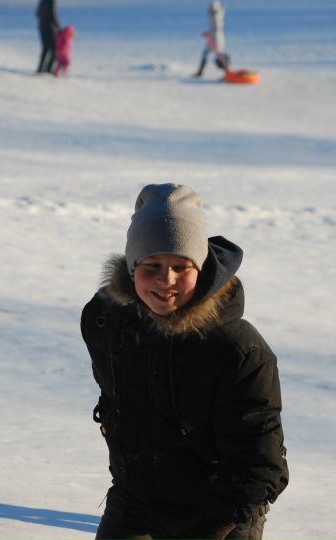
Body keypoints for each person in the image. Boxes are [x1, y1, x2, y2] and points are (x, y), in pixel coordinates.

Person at [81, 183, 288, 540]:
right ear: (132, 268)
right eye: (153, 265)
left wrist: (213, 526)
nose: (167, 280)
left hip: (221, 509)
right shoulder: (106, 321)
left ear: (202, 269)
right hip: (135, 501)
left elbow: (259, 463)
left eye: (182, 266)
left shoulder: (238, 349)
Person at [194, 0, 230, 77]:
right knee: (205, 54)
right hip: (211, 37)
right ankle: (200, 72)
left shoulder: (217, 16)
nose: (210, 10)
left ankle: (227, 72)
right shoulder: (212, 16)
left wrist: (210, 35)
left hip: (216, 38)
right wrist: (208, 34)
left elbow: (216, 28)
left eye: (211, 9)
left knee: (219, 54)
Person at [36, 0, 60, 74]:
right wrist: (58, 28)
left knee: (45, 48)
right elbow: (53, 16)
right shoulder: (52, 2)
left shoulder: (42, 1)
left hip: (42, 27)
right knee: (54, 48)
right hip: (50, 29)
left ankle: (40, 68)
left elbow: (37, 13)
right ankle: (48, 68)